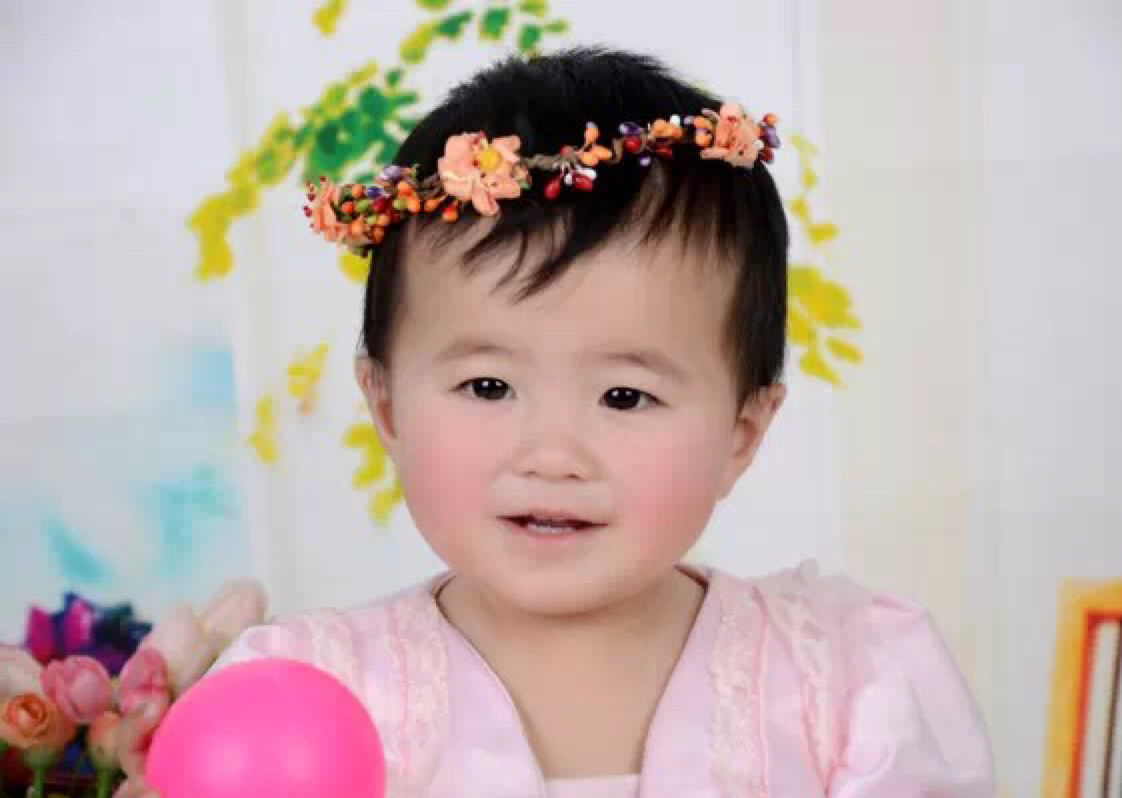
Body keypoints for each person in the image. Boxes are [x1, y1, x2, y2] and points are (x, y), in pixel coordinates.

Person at [123, 47, 995, 797]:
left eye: (624, 397)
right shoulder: (301, 692)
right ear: (385, 404)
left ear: (743, 431)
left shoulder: (845, 686)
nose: (551, 454)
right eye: (487, 386)